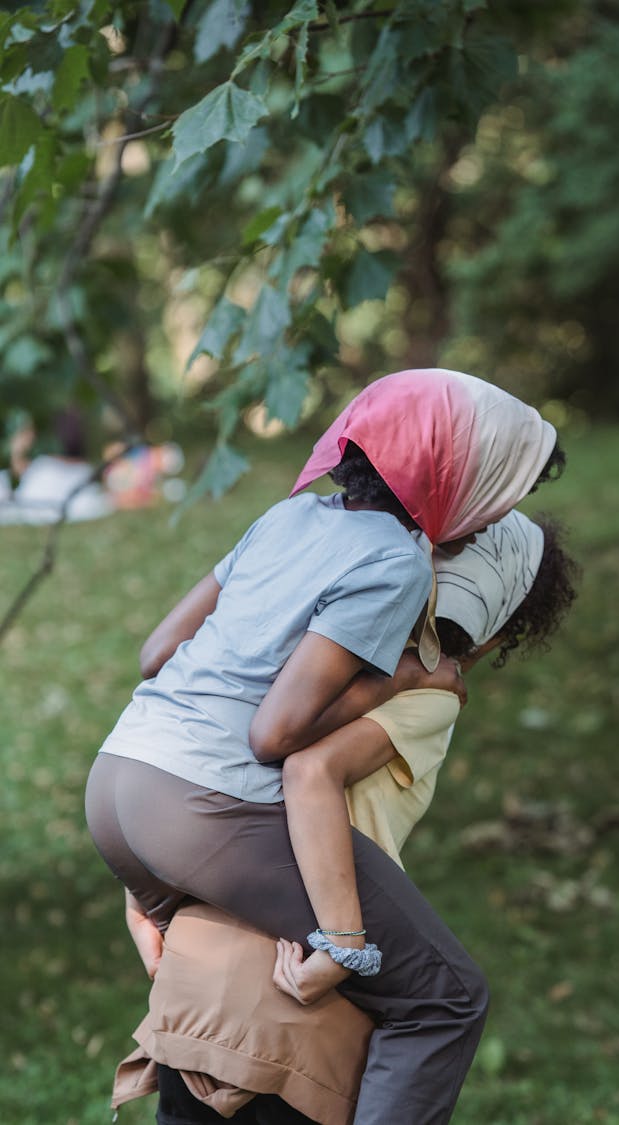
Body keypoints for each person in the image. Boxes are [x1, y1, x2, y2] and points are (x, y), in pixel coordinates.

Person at [86, 368, 559, 1125]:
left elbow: (156, 650)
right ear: (458, 482)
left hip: (118, 781)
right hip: (202, 804)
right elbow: (276, 735)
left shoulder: (286, 516)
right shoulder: (397, 561)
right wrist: (404, 676)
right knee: (447, 996)